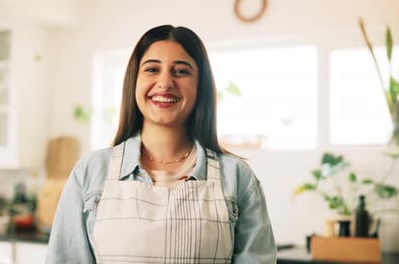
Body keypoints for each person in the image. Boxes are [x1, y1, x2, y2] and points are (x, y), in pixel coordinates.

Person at [46, 24, 276, 263]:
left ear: (201, 86)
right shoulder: (90, 172)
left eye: (181, 71)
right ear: (134, 81)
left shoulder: (237, 177)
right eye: (152, 69)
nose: (165, 82)